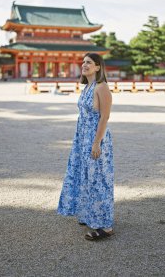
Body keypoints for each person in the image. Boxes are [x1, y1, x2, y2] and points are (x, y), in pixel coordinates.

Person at [57, 53, 114, 241]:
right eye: (83, 62)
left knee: (98, 179)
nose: (84, 65)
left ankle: (105, 226)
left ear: (98, 67)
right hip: (82, 137)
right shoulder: (87, 87)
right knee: (84, 176)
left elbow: (105, 117)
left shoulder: (102, 87)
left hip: (96, 138)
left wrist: (97, 142)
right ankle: (88, 214)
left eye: (89, 62)